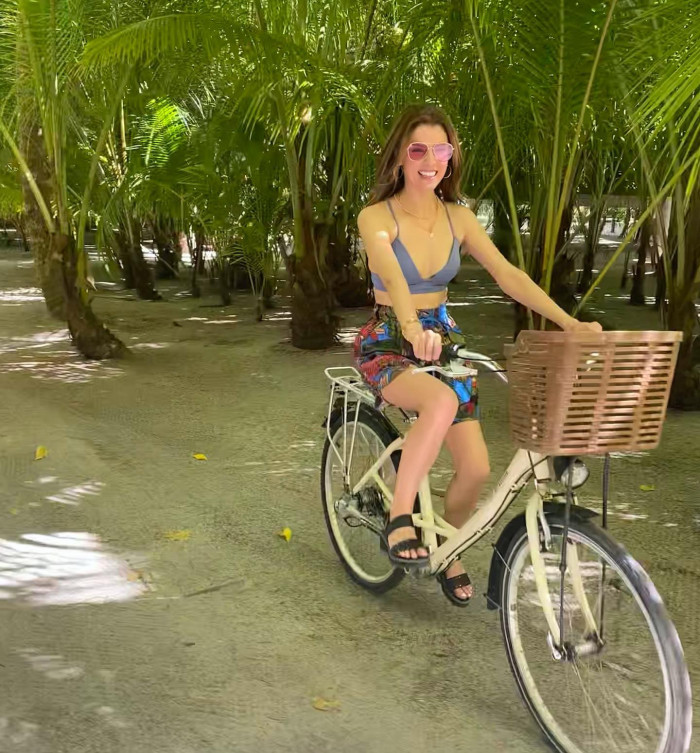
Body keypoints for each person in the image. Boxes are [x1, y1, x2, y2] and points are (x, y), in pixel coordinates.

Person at [353, 105, 602, 606]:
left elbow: (508, 274)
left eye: (439, 150)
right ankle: (401, 518)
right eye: (417, 149)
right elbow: (393, 276)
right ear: (400, 157)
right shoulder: (376, 216)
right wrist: (408, 327)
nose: (429, 160)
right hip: (389, 336)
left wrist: (569, 322)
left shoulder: (459, 217)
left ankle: (449, 545)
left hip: (442, 336)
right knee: (440, 403)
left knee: (477, 469)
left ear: (451, 156)